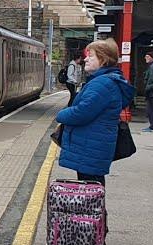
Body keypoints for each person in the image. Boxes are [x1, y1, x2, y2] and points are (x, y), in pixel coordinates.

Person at [55, 39, 135, 189]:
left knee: (91, 193)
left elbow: (81, 113)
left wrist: (61, 114)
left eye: (90, 56)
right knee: (92, 191)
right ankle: (96, 212)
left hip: (91, 146)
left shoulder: (102, 84)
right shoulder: (104, 81)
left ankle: (97, 213)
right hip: (93, 145)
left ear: (103, 60)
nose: (85, 59)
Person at [141, 52, 153, 132]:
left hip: (152, 92)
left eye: (147, 56)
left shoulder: (152, 66)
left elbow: (152, 80)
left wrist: (147, 89)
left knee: (151, 109)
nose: (145, 58)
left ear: (151, 57)